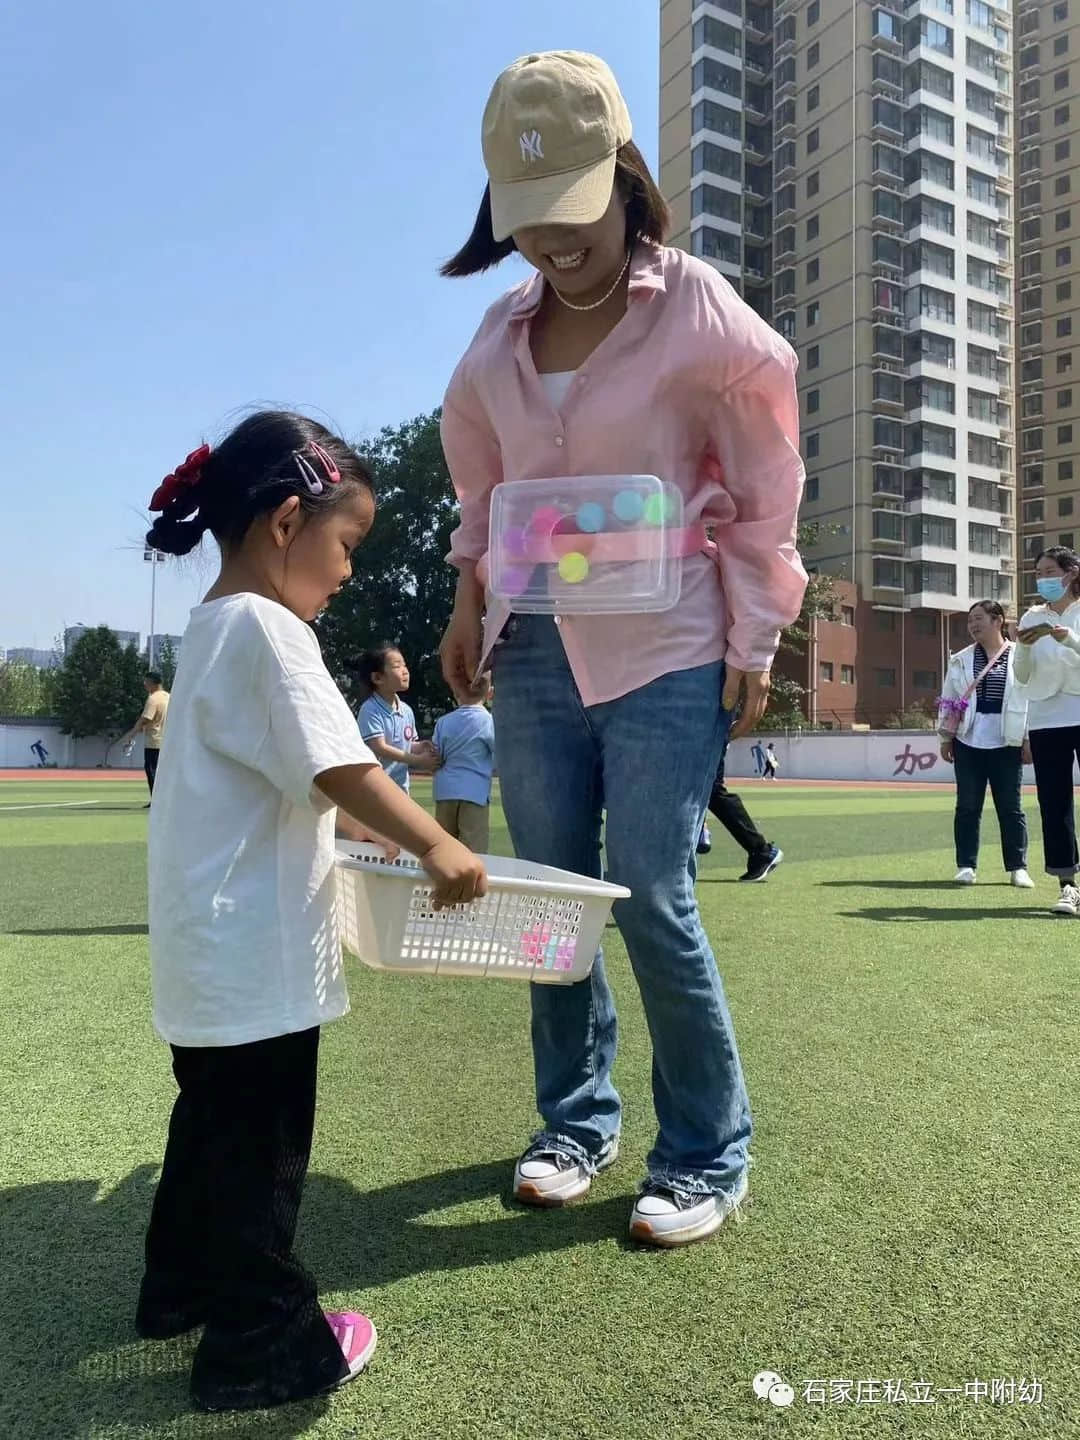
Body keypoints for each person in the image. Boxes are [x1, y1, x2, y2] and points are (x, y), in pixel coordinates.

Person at [438, 52, 806, 1247]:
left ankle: (706, 1153)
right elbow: (478, 486)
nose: (554, 245)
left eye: (573, 213)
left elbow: (762, 483)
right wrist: (466, 604)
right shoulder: (496, 341)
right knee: (551, 901)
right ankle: (575, 1123)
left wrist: (757, 633)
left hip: (671, 645)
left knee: (650, 894)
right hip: (539, 650)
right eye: (527, 225)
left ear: (624, 176)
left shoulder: (697, 307)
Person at [137, 412, 487, 1412]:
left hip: (209, 960)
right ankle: (261, 1345)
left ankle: (179, 1290)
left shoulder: (210, 630)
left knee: (212, 1132)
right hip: (257, 964)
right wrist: (433, 840)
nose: (343, 576)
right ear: (287, 521)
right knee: (262, 1155)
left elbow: (269, 790)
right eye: (345, 548)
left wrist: (350, 839)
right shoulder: (270, 630)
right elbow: (334, 764)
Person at [936, 600, 1031, 889]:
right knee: (967, 806)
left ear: (998, 620)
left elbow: (1029, 700)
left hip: (1008, 741)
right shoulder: (961, 659)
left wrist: (1028, 739)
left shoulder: (1020, 656)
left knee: (1011, 808)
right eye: (970, 621)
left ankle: (1018, 868)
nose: (973, 625)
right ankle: (966, 865)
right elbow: (949, 698)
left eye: (979, 618)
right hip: (967, 741)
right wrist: (945, 738)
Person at [1013, 545, 1080, 917]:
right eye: (1038, 572)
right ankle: (1068, 886)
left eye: (1050, 570)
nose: (1042, 578)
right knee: (1054, 805)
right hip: (1045, 719)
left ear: (1070, 573)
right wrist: (1022, 648)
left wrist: (1067, 639)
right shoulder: (1030, 616)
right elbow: (1021, 676)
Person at [356, 645, 440, 792]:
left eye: (405, 665)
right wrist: (418, 760)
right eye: (397, 666)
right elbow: (379, 747)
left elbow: (406, 745)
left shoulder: (406, 711)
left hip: (400, 788)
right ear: (377, 678)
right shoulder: (370, 709)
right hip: (374, 789)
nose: (405, 671)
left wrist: (420, 746)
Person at [697, 745, 784, 883]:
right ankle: (698, 832)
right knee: (709, 792)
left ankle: (761, 851)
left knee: (713, 792)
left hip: (701, 738)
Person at [433, 674, 495, 853]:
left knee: (443, 848)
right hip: (475, 792)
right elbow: (498, 753)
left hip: (445, 790)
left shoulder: (443, 722)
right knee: (473, 850)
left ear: (456, 690)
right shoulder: (488, 721)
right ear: (489, 693)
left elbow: (436, 756)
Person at [120, 671, 170, 805]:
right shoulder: (168, 697)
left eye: (146, 682)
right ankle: (164, 799)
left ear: (153, 683)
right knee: (163, 771)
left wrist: (131, 735)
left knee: (151, 769)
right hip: (167, 740)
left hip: (154, 740)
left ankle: (157, 800)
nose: (144, 685)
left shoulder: (153, 699)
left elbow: (145, 719)